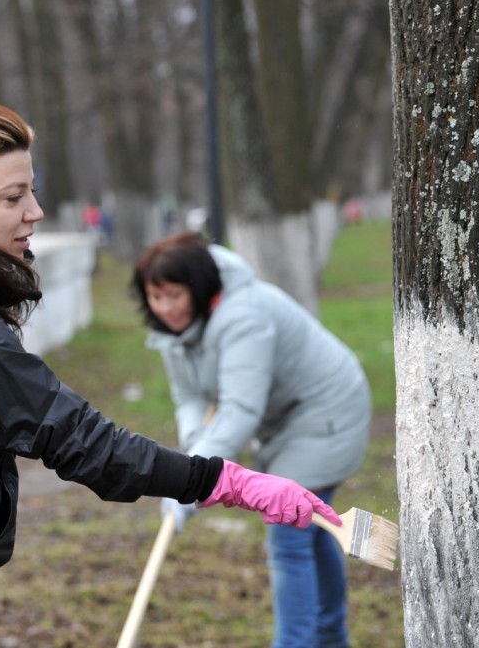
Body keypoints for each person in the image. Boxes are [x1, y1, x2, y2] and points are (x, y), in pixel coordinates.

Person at [0, 100, 342, 648]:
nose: (35, 210)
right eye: (12, 197)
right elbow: (81, 439)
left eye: (31, 190)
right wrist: (227, 482)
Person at [132, 231, 372, 648]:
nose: (166, 307)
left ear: (198, 285)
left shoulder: (242, 316)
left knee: (289, 533)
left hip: (325, 412)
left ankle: (305, 641)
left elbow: (241, 411)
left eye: (174, 294)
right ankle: (332, 638)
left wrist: (189, 479)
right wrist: (195, 451)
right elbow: (189, 395)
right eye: (156, 296)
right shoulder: (178, 327)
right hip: (284, 421)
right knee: (316, 528)